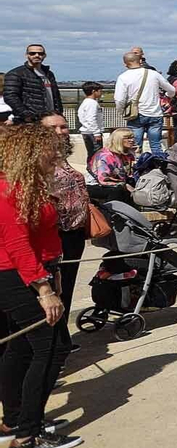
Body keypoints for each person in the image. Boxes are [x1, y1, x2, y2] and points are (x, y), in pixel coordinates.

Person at [0, 124, 80, 448]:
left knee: (21, 347)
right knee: (52, 348)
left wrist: (52, 273)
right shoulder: (10, 189)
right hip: (19, 277)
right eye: (51, 148)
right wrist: (44, 289)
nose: (58, 154)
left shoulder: (27, 186)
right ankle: (27, 436)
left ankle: (16, 420)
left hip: (34, 272)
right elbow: (17, 243)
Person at [38, 114, 88, 357]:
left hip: (74, 233)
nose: (60, 131)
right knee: (55, 291)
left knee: (66, 289)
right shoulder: (39, 160)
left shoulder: (60, 158)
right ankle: (52, 349)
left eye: (64, 126)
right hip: (56, 236)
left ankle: (62, 342)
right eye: (53, 127)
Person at [114, 49, 175, 155]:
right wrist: (167, 96)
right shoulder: (153, 74)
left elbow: (119, 99)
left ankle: (137, 167)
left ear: (125, 64)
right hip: (155, 113)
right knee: (156, 145)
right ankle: (160, 166)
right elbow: (172, 90)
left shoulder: (123, 77)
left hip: (136, 114)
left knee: (135, 145)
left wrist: (121, 111)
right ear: (140, 61)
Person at [3, 44, 63, 125]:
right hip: (30, 122)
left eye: (40, 53)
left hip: (50, 119)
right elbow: (10, 96)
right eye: (32, 53)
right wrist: (27, 115)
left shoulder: (48, 74)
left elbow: (56, 96)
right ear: (26, 55)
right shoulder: (16, 73)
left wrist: (59, 113)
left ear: (44, 55)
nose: (37, 55)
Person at [77, 82, 104, 161]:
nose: (101, 93)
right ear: (93, 91)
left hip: (87, 131)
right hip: (92, 133)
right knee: (97, 154)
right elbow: (91, 118)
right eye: (99, 91)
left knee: (91, 153)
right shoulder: (92, 103)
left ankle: (91, 169)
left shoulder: (85, 102)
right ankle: (95, 170)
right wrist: (96, 133)